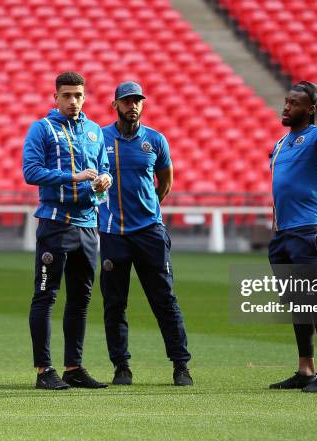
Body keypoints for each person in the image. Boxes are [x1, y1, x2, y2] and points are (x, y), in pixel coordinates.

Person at [98, 81, 192, 386]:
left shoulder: (155, 140)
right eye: (126, 101)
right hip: (113, 233)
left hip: (150, 232)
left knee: (164, 299)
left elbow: (165, 181)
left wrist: (148, 209)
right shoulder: (99, 138)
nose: (132, 105)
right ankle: (121, 366)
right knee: (115, 303)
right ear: (115, 106)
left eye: (137, 100)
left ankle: (181, 365)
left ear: (143, 104)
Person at [23, 71, 112, 390]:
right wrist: (72, 177)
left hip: (88, 226)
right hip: (56, 224)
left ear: (85, 97)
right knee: (46, 296)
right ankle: (44, 370)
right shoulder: (42, 129)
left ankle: (73, 367)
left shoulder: (94, 131)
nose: (73, 101)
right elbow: (30, 172)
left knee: (81, 299)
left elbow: (103, 169)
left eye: (78, 95)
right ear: (55, 98)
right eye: (67, 96)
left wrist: (105, 180)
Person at [268, 76, 317, 393]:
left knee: (315, 300)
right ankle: (305, 369)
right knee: (297, 302)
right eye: (286, 101)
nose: (286, 107)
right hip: (284, 232)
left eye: (294, 103)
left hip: (309, 228)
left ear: (311, 109)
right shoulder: (280, 143)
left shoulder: (315, 137)